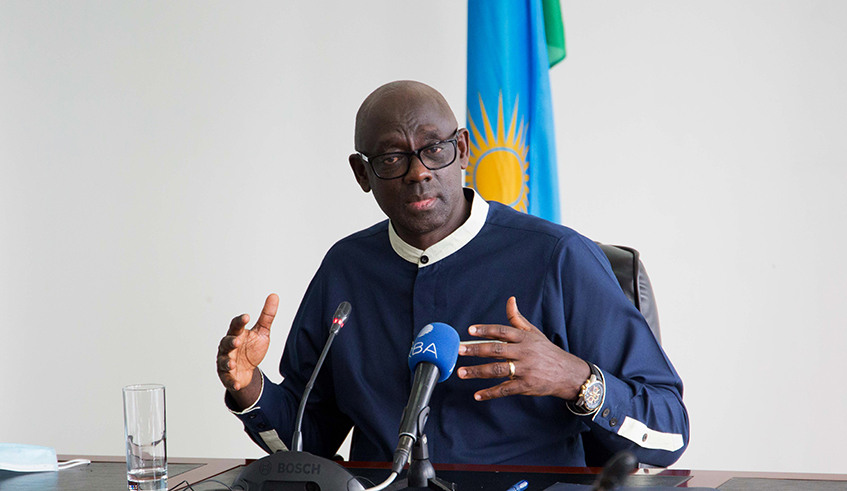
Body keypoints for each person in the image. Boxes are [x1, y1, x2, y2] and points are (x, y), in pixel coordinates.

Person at [216, 81, 689, 467]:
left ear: (462, 149)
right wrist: (249, 388)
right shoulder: (346, 270)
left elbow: (669, 433)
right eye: (392, 159)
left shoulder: (559, 257)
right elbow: (307, 444)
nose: (418, 172)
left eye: (434, 149)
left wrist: (573, 377)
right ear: (362, 174)